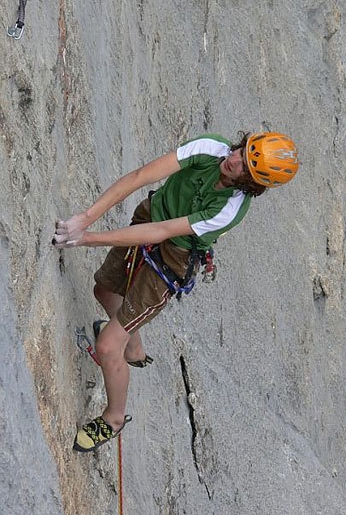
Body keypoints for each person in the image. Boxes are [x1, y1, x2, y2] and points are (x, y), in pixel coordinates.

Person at [53, 132, 299, 452]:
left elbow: (164, 232)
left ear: (251, 184)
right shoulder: (211, 148)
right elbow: (141, 176)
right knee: (104, 291)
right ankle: (133, 348)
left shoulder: (229, 210)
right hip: (151, 213)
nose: (233, 160)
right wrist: (84, 219)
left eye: (244, 167)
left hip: (172, 260)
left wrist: (86, 238)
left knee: (107, 344)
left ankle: (112, 419)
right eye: (242, 150)